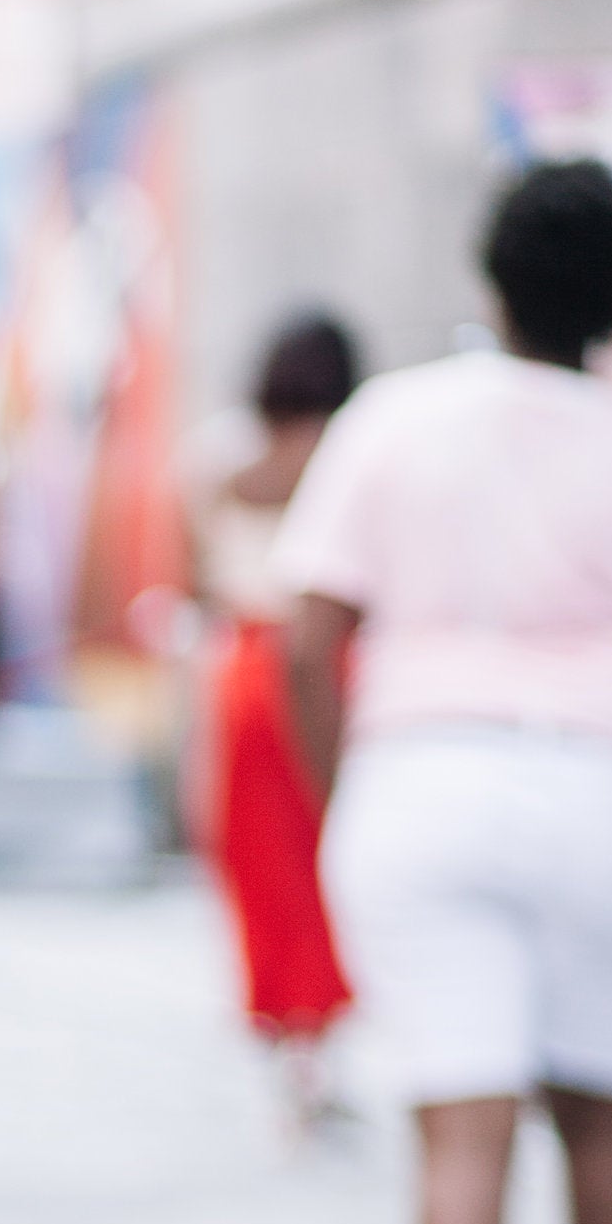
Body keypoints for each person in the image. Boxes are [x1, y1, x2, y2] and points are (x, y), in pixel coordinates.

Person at [279, 160, 612, 1224]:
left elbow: (309, 634)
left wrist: (350, 798)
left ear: (489, 277)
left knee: (462, 1129)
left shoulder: (396, 419)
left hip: (423, 783)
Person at [189, 315, 360, 1122]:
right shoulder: (344, 457)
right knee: (327, 854)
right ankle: (321, 1042)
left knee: (260, 865)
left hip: (242, 670)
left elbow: (198, 582)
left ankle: (286, 1035)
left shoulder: (224, 462)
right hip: (323, 665)